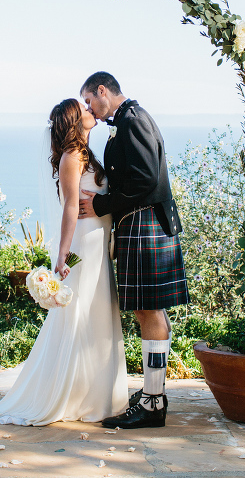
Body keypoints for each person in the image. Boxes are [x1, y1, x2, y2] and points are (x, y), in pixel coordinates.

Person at [0, 98, 127, 425]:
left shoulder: (87, 154)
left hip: (100, 242)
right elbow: (70, 207)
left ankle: (98, 394)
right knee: (80, 314)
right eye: (84, 108)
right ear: (75, 120)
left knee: (98, 312)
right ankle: (74, 395)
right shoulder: (71, 158)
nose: (91, 111)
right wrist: (61, 254)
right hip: (84, 244)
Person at [78, 71, 190, 429]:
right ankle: (152, 397)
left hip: (145, 223)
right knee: (148, 311)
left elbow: (144, 178)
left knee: (148, 311)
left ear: (102, 91)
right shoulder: (128, 120)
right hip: (141, 223)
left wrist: (102, 204)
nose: (89, 108)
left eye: (89, 100)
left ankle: (153, 403)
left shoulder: (132, 120)